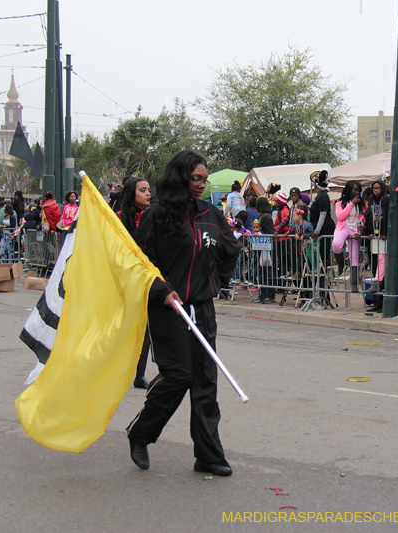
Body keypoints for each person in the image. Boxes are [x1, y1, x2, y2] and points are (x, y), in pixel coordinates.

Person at [126, 150, 239, 476]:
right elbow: (138, 262)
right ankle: (141, 433)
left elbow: (231, 249)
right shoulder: (157, 214)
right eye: (196, 179)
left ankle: (209, 454)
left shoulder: (209, 214)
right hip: (168, 308)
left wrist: (215, 282)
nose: (202, 185)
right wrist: (161, 291)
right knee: (179, 375)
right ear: (181, 177)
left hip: (201, 308)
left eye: (205, 179)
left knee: (205, 381)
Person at [118, 177, 153, 389]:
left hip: (147, 279)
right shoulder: (119, 218)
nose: (148, 193)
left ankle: (140, 375)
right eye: (143, 190)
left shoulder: (154, 215)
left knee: (145, 330)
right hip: (124, 281)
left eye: (149, 189)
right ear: (132, 193)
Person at [362, 178, 389, 311]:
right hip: (374, 237)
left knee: (382, 269)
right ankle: (377, 303)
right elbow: (370, 216)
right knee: (374, 268)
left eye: (378, 188)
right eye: (374, 188)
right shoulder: (372, 199)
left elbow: (388, 217)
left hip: (383, 238)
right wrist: (371, 231)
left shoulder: (387, 199)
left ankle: (384, 304)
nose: (376, 190)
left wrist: (385, 233)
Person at [332, 180, 363, 292]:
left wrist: (359, 231)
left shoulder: (361, 203)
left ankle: (354, 283)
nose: (356, 192)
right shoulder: (340, 202)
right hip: (343, 227)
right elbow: (340, 216)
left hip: (355, 229)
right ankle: (341, 263)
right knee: (336, 244)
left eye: (358, 190)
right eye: (354, 189)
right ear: (349, 190)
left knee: (354, 256)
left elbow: (362, 217)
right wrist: (351, 203)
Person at [252, 197, 277, 304]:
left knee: (268, 273)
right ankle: (262, 294)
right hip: (261, 249)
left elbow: (269, 232)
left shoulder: (266, 217)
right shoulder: (261, 216)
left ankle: (270, 295)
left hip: (267, 250)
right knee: (261, 273)